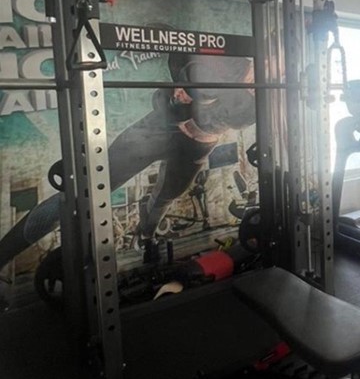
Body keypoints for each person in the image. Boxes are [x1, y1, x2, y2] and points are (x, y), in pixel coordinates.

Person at [0, 54, 256, 270]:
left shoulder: (256, 95)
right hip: (156, 130)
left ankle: (146, 238)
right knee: (84, 190)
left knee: (165, 198)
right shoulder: (227, 64)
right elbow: (180, 61)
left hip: (196, 148)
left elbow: (233, 116)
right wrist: (185, 89)